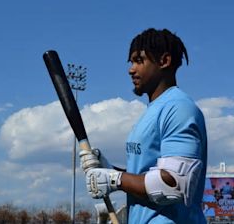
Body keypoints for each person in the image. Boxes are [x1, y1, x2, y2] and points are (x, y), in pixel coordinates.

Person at [80, 28, 208, 223]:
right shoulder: (151, 111)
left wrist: (114, 179)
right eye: (131, 62)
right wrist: (107, 169)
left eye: (139, 61)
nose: (131, 69)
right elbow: (145, 176)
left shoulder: (179, 108)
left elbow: (174, 185)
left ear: (164, 61)